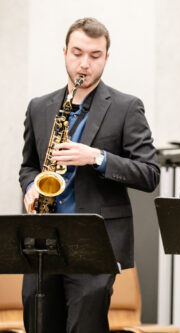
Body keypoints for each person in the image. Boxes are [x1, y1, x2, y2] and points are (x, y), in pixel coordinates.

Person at [19, 17, 160, 332]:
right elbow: (28, 165)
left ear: (107, 57)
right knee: (37, 320)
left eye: (95, 56)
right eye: (78, 53)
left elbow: (149, 173)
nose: (85, 63)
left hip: (96, 242)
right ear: (65, 52)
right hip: (43, 237)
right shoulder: (39, 107)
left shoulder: (127, 107)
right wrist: (30, 186)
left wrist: (96, 157)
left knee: (85, 325)